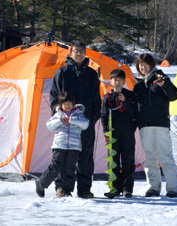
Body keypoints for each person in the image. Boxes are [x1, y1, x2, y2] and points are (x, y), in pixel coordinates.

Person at [49, 41, 102, 198]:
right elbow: (54, 99)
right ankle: (62, 188)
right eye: (76, 51)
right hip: (66, 124)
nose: (79, 53)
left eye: (82, 51)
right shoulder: (62, 73)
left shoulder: (92, 74)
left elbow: (96, 99)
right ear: (70, 53)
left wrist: (93, 119)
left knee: (86, 156)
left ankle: (84, 189)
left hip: (85, 123)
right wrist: (59, 116)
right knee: (66, 156)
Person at [133, 52, 177, 198]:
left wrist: (165, 85)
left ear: (151, 65)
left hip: (160, 124)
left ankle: (173, 188)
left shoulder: (161, 78)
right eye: (141, 65)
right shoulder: (137, 85)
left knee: (165, 156)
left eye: (146, 65)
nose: (143, 68)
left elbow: (174, 96)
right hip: (145, 126)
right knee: (150, 158)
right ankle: (153, 187)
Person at [35, 92, 89, 198]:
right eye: (65, 104)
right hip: (59, 145)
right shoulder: (58, 114)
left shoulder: (79, 114)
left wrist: (72, 120)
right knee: (55, 166)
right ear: (61, 105)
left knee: (70, 168)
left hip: (74, 146)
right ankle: (41, 183)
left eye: (69, 103)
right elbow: (49, 125)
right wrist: (60, 121)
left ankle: (67, 190)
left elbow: (85, 124)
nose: (67, 106)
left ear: (73, 103)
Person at [101, 68, 137, 199]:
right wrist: (106, 133)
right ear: (110, 81)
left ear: (124, 82)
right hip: (113, 132)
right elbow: (104, 116)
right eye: (115, 80)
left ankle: (127, 189)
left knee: (128, 160)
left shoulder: (130, 95)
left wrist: (125, 101)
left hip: (127, 131)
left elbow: (134, 113)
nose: (117, 82)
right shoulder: (107, 97)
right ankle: (114, 188)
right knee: (113, 161)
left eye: (120, 80)